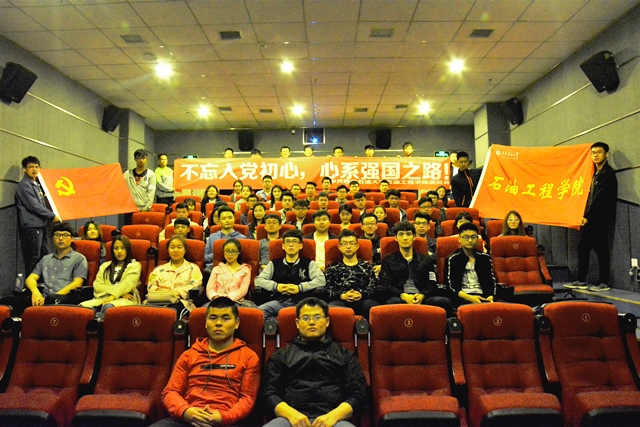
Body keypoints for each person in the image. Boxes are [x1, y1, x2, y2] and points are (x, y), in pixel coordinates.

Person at [155, 297, 260, 427]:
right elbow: (170, 392)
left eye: (226, 318)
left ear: (236, 323)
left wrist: (223, 417)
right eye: (213, 318)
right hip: (189, 418)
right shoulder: (189, 355)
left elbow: (247, 399)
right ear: (206, 322)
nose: (218, 323)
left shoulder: (249, 357)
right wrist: (186, 411)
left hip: (226, 421)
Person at [262, 297, 366, 427]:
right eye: (305, 318)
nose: (311, 322)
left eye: (317, 317)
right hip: (290, 419)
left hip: (334, 420)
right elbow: (269, 393)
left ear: (327, 322)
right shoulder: (281, 355)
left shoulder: (345, 355)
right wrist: (292, 415)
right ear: (297, 323)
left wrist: (333, 417)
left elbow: (357, 393)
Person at [566, 142, 618, 292]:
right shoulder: (594, 172)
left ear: (606, 154)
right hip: (592, 217)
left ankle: (603, 282)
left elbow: (599, 198)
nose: (595, 155)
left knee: (601, 248)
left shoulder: (607, 173)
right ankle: (581, 280)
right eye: (593, 153)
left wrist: (587, 216)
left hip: (600, 218)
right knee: (583, 248)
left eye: (599, 152)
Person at [379, 222, 453, 316]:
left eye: (408, 234)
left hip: (423, 296)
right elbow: (386, 284)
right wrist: (403, 295)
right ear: (396, 238)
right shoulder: (388, 259)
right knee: (392, 303)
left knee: (444, 302)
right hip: (399, 296)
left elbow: (432, 281)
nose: (405, 238)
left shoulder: (426, 259)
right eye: (401, 234)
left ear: (414, 237)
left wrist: (423, 295)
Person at [255, 230, 325, 320]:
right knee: (259, 313)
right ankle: (276, 326)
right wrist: (276, 286)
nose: (291, 245)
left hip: (303, 302)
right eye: (287, 242)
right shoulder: (274, 263)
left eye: (294, 241)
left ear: (300, 246)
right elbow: (258, 280)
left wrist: (300, 288)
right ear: (283, 246)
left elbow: (321, 280)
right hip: (280, 301)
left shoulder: (309, 263)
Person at [23, 222, 88, 311]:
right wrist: (36, 293)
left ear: (72, 238)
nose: (61, 238)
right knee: (9, 300)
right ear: (52, 238)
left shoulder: (79, 259)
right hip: (43, 297)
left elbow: (77, 283)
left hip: (65, 297)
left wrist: (54, 296)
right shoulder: (46, 259)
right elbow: (30, 279)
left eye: (65, 235)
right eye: (57, 235)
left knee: (51, 299)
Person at [15, 156, 60, 275]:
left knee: (44, 256)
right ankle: (31, 284)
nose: (34, 169)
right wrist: (52, 216)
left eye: (36, 167)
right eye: (31, 167)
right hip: (32, 227)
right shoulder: (24, 185)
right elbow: (34, 206)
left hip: (41, 226)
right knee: (33, 258)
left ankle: (41, 282)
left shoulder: (36, 184)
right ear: (24, 169)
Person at [324, 230, 379, 319]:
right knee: (333, 309)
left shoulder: (366, 266)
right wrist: (342, 295)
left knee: (373, 307)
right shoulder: (333, 267)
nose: (348, 246)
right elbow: (327, 289)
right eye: (344, 244)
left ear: (357, 246)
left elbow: (374, 286)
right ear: (339, 247)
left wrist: (361, 294)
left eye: (351, 243)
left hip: (363, 300)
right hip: (340, 300)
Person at [80, 235, 141, 313]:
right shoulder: (104, 266)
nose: (119, 251)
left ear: (128, 250)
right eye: (116, 248)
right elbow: (97, 286)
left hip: (126, 300)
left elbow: (127, 284)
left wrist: (112, 297)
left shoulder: (134, 265)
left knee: (108, 308)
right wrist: (120, 293)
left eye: (123, 248)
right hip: (103, 298)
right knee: (82, 308)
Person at [146, 235, 202, 315]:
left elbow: (195, 285)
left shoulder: (193, 268)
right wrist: (168, 293)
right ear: (168, 250)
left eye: (179, 247)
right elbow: (151, 287)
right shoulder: (158, 270)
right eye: (172, 247)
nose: (175, 250)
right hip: (158, 301)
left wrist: (177, 293)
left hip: (182, 302)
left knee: (168, 313)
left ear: (185, 250)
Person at [444, 223, 496, 307]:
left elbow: (491, 281)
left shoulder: (485, 258)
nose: (470, 240)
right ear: (459, 239)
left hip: (483, 295)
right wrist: (470, 298)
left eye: (473, 237)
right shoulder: (453, 259)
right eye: (466, 237)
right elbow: (451, 286)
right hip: (463, 296)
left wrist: (490, 296)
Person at [206, 239, 253, 306]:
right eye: (227, 251)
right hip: (217, 301)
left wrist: (229, 298)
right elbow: (210, 288)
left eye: (233, 251)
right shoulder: (217, 269)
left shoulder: (245, 269)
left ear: (239, 252)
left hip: (236, 301)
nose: (230, 254)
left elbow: (243, 289)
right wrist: (215, 297)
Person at [124, 149, 156, 213]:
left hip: (144, 208)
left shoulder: (151, 174)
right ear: (135, 159)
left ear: (146, 159)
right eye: (139, 158)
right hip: (130, 208)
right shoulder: (127, 174)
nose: (141, 160)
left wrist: (146, 208)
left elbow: (151, 192)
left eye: (143, 158)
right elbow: (118, 183)